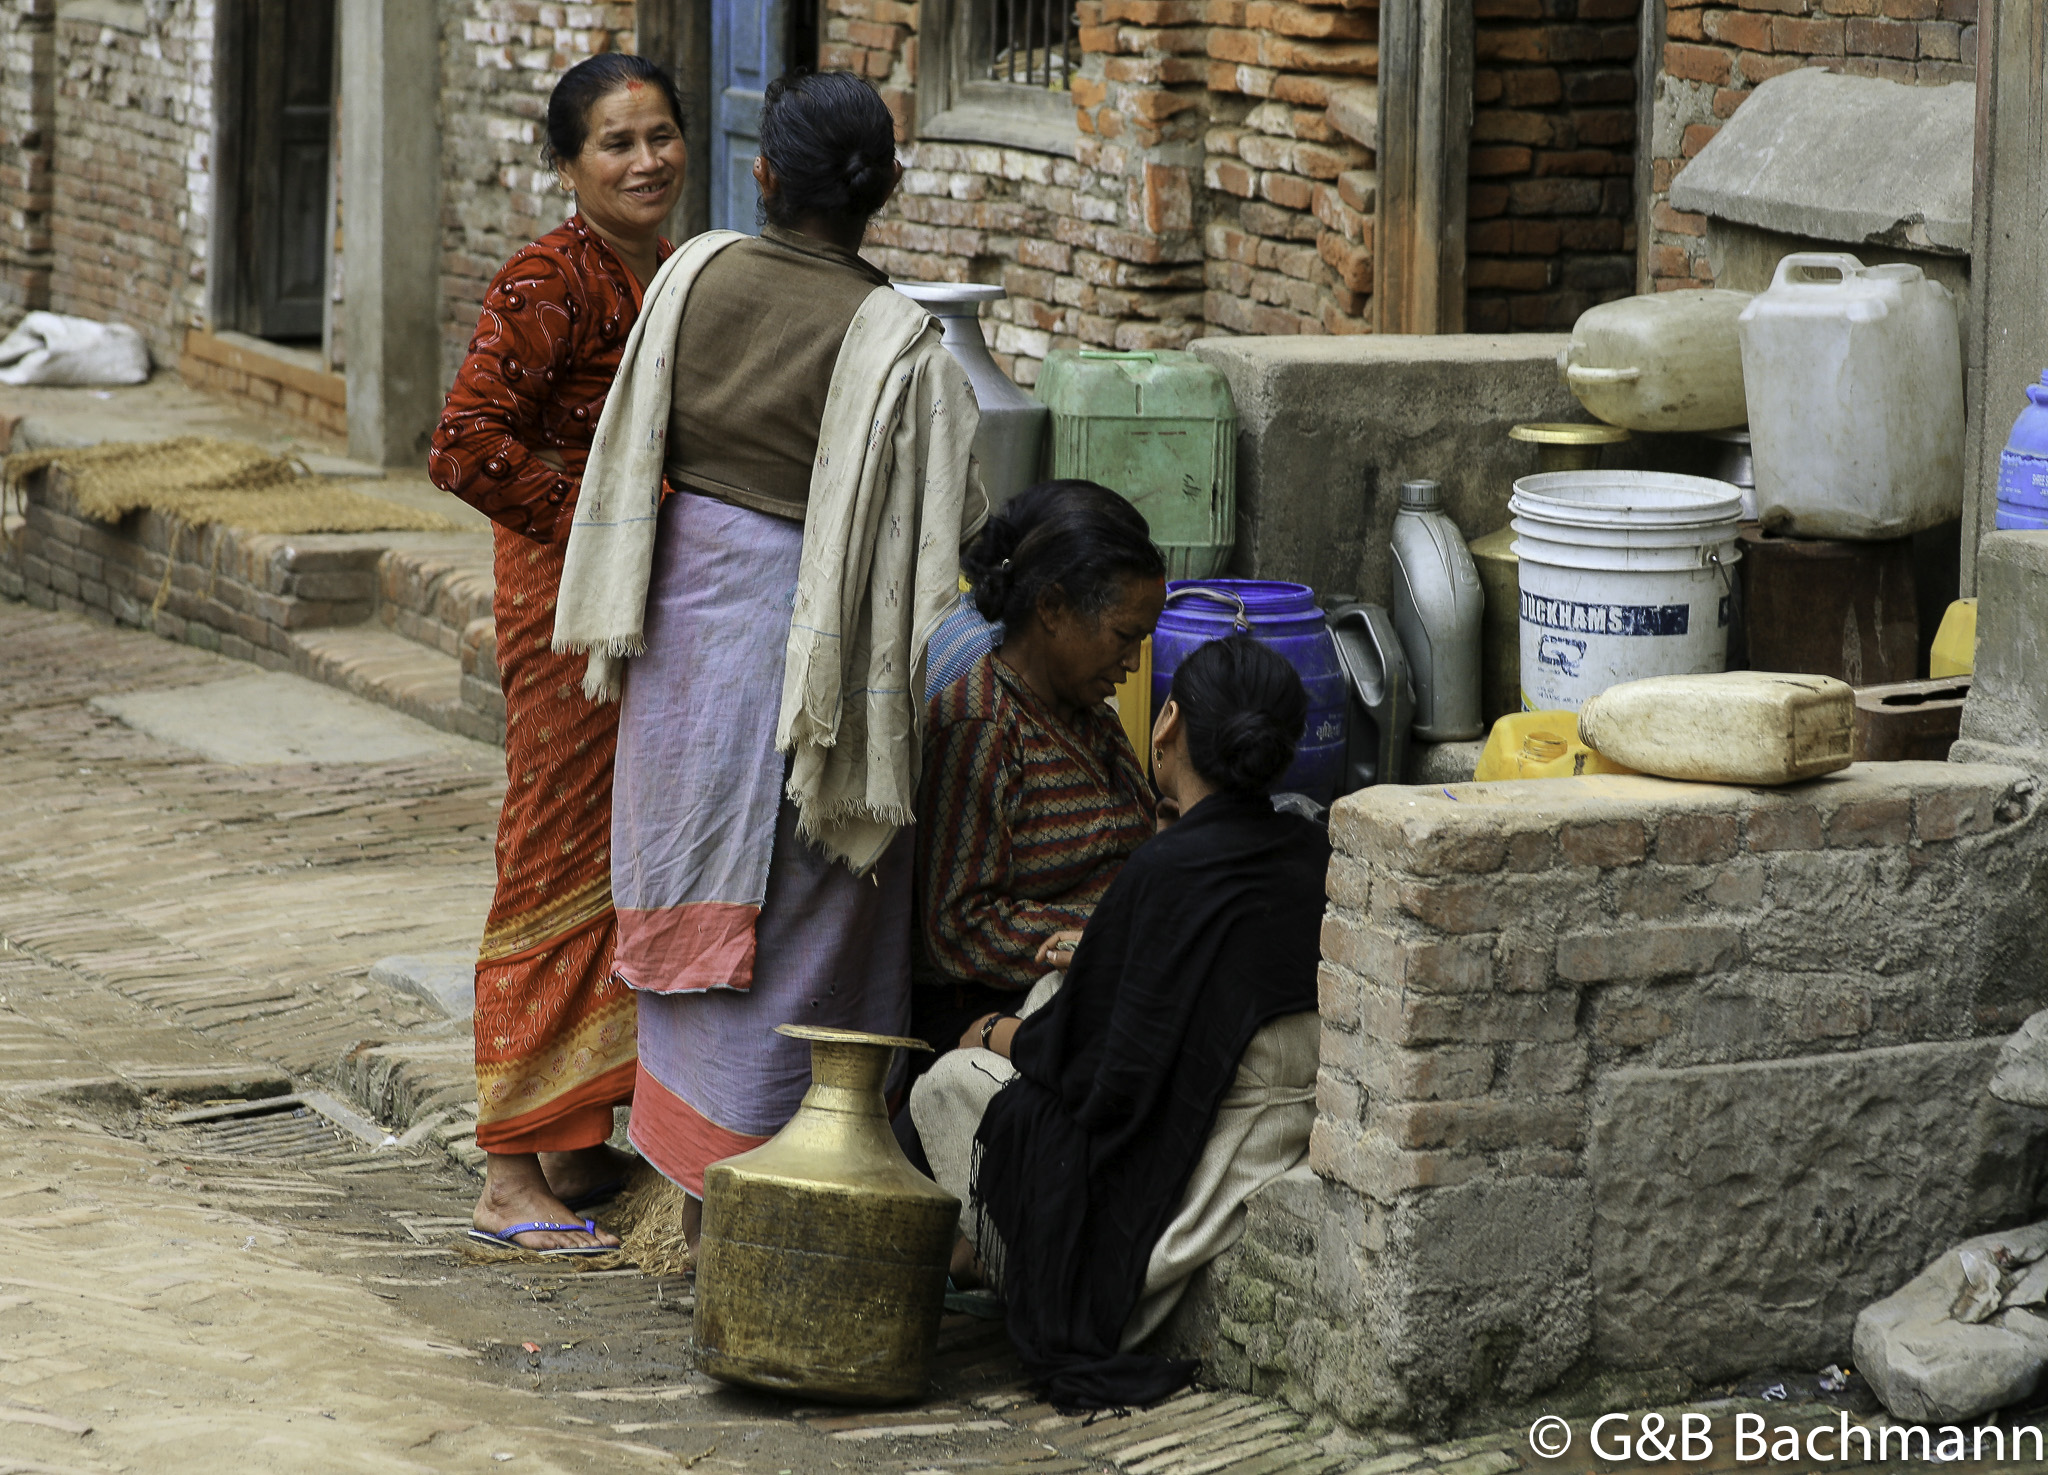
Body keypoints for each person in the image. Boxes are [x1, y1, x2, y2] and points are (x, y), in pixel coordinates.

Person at [549, 69, 983, 1254]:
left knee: (696, 896)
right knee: (809, 914)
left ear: (761, 174)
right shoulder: (904, 341)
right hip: (810, 651)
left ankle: (698, 1199)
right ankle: (785, 1197)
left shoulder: (689, 275)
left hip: (681, 637)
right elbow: (950, 527)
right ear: (883, 191)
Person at [908, 635, 1328, 1410]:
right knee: (1046, 1001)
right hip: (1271, 1119)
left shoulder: (1165, 872)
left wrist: (992, 1033)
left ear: (1166, 725)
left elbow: (1094, 1074)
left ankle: (982, 1256)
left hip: (1177, 1189)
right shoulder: (1311, 849)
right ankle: (973, 1253)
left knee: (945, 1082)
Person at [430, 53, 685, 1254]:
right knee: (549, 854)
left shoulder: (676, 271)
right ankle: (505, 1172)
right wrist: (610, 511)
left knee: (626, 849)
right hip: (567, 602)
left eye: (660, 137)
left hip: (645, 600)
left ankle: (576, 1136)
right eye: (616, 144)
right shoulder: (549, 277)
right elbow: (465, 445)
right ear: (569, 165)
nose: (646, 162)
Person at [912, 480, 1167, 1059]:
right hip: (986, 1020)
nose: (1133, 661)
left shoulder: (1088, 714)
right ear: (1052, 608)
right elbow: (957, 927)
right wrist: (1097, 935)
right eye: (1125, 637)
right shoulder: (982, 727)